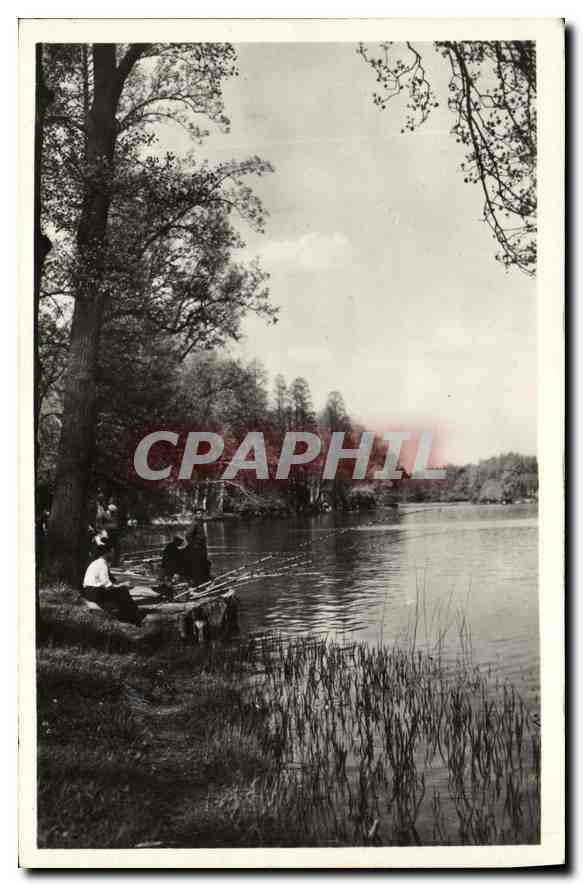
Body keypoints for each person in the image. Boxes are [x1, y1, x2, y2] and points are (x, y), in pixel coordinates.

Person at [81, 542, 143, 625]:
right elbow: (108, 586)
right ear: (105, 554)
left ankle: (132, 615)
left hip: (90, 591)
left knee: (121, 591)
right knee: (122, 591)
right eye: (111, 552)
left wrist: (123, 582)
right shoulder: (102, 564)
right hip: (94, 592)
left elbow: (110, 582)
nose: (112, 555)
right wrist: (124, 585)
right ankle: (134, 617)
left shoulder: (97, 563)